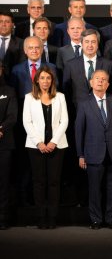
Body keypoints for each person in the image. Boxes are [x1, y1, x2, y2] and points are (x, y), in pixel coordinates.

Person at [75, 70, 112, 230]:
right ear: (91, 82)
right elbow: (79, 131)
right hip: (93, 153)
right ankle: (95, 219)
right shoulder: (83, 103)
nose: (100, 82)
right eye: (97, 79)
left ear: (108, 84)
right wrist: (80, 154)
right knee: (94, 190)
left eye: (103, 79)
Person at [22, 65, 68, 229]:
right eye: (42, 78)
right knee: (39, 182)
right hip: (36, 147)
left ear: (52, 80)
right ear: (36, 80)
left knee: (54, 182)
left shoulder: (60, 97)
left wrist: (53, 141)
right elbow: (27, 122)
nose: (45, 81)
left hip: (57, 146)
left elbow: (65, 121)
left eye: (48, 78)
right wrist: (39, 143)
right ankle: (41, 217)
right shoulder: (29, 98)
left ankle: (53, 217)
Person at [63, 29, 112, 108]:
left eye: (93, 42)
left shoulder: (108, 64)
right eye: (87, 42)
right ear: (82, 44)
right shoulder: (70, 65)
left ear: (97, 44)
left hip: (101, 110)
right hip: (77, 110)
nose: (90, 45)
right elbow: (66, 91)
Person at [0, 61, 18, 230]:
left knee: (3, 182)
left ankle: (3, 218)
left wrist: (0, 128)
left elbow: (12, 116)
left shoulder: (9, 91)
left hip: (4, 143)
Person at [55, 17, 86, 83]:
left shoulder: (91, 49)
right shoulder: (62, 51)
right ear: (68, 31)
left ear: (84, 30)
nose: (75, 31)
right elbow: (59, 74)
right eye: (72, 28)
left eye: (78, 28)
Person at [0, 11, 24, 82]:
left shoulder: (21, 43)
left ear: (12, 25)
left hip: (14, 82)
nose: (3, 24)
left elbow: (22, 65)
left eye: (7, 22)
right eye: (1, 21)